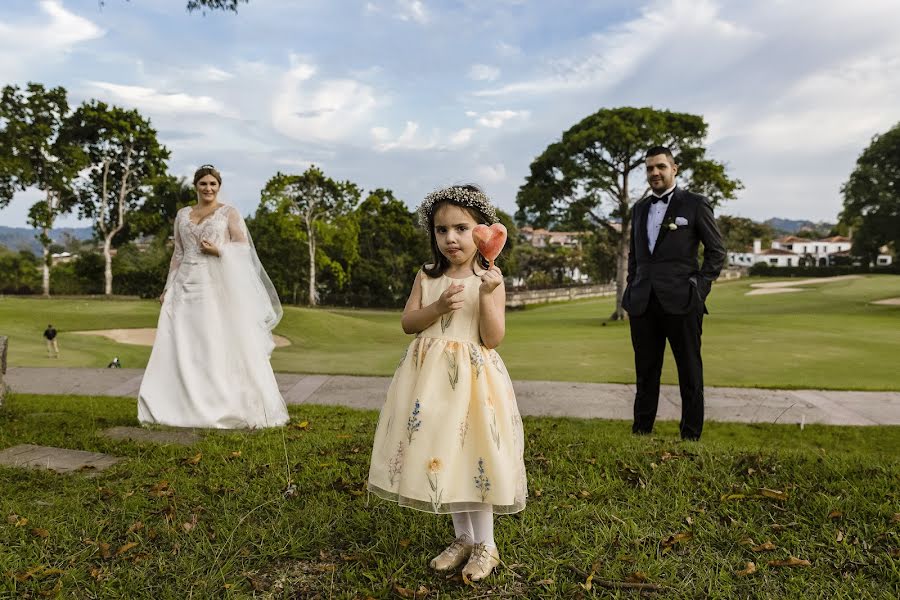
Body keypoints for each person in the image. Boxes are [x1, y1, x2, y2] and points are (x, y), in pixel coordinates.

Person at [367, 185, 526, 582]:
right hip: (430, 384)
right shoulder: (428, 275)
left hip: (473, 383)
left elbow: (492, 338)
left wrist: (488, 296)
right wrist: (437, 307)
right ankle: (463, 538)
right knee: (444, 453)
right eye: (441, 230)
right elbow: (408, 323)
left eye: (461, 228)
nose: (451, 238)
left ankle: (487, 545)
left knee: (475, 454)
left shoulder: (488, 278)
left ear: (481, 232)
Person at [137, 164, 288, 429]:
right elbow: (178, 254)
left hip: (214, 285)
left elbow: (243, 247)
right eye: (203, 184)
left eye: (213, 184)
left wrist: (220, 251)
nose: (208, 189)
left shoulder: (228, 213)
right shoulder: (183, 214)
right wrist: (168, 287)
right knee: (182, 342)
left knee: (212, 340)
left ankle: (218, 405)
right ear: (195, 186)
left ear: (219, 187)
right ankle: (174, 405)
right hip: (185, 285)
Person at [622, 146, 726, 440]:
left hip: (683, 301)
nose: (655, 173)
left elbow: (716, 252)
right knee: (645, 373)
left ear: (674, 168)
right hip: (642, 302)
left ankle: (691, 436)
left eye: (660, 167)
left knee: (690, 373)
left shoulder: (694, 204)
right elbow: (635, 255)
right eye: (650, 168)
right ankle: (641, 432)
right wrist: (632, 285)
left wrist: (699, 288)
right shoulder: (639, 208)